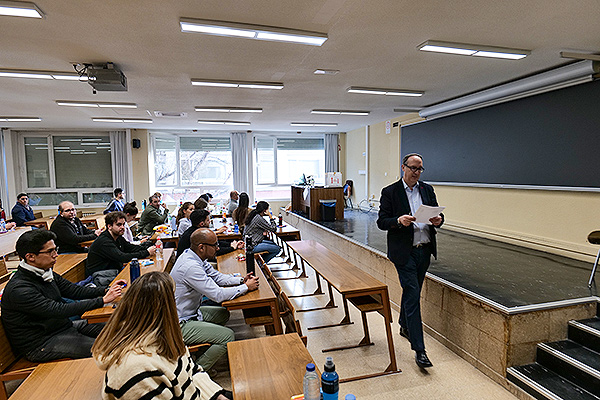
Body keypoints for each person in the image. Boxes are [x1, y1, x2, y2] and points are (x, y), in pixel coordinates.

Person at [92, 272, 232, 400]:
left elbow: (192, 371)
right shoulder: (135, 369)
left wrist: (217, 395)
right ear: (166, 308)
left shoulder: (166, 337)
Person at [0, 229, 126, 362]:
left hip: (62, 327)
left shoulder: (45, 272)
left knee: (119, 330)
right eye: (50, 251)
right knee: (109, 349)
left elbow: (74, 290)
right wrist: (102, 301)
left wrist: (106, 290)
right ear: (30, 256)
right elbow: (58, 310)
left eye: (56, 249)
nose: (56, 255)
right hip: (41, 343)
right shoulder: (20, 289)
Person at [376, 153, 444, 369]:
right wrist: (398, 220)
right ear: (403, 168)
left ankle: (405, 325)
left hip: (424, 251)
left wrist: (439, 220)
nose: (416, 172)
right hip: (404, 253)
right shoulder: (390, 192)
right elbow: (381, 221)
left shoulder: (427, 190)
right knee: (413, 295)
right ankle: (420, 350)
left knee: (412, 291)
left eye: (420, 168)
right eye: (413, 168)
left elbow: (437, 215)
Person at [171, 228, 259, 371]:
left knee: (223, 314)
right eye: (215, 245)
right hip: (179, 324)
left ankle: (203, 346)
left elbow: (217, 277)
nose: (218, 248)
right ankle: (196, 371)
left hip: (192, 312)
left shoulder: (195, 256)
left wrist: (241, 281)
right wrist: (246, 288)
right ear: (202, 247)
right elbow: (217, 295)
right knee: (228, 337)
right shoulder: (190, 267)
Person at [86, 212, 156, 283]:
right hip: (100, 276)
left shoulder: (118, 237)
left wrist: (147, 248)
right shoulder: (104, 241)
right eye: (119, 225)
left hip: (112, 272)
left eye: (123, 224)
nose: (122, 227)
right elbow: (122, 257)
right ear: (109, 226)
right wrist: (146, 252)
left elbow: (130, 247)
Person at [177, 210, 241, 259]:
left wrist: (231, 244)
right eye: (207, 220)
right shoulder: (197, 235)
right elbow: (213, 251)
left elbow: (214, 243)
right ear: (201, 224)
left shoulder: (194, 230)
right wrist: (232, 248)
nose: (209, 222)